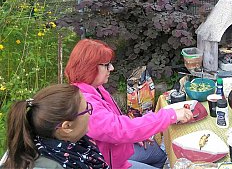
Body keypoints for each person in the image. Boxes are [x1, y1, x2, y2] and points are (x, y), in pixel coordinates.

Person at [65, 39, 193, 169]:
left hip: (113, 150)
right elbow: (120, 129)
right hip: (105, 163)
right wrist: (170, 115)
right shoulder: (85, 103)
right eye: (106, 65)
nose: (112, 68)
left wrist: (135, 135)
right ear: (89, 67)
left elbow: (115, 123)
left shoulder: (95, 88)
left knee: (158, 154)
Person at [2, 84, 109, 169]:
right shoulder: (47, 165)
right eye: (86, 109)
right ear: (66, 127)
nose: (90, 113)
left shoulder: (79, 144)